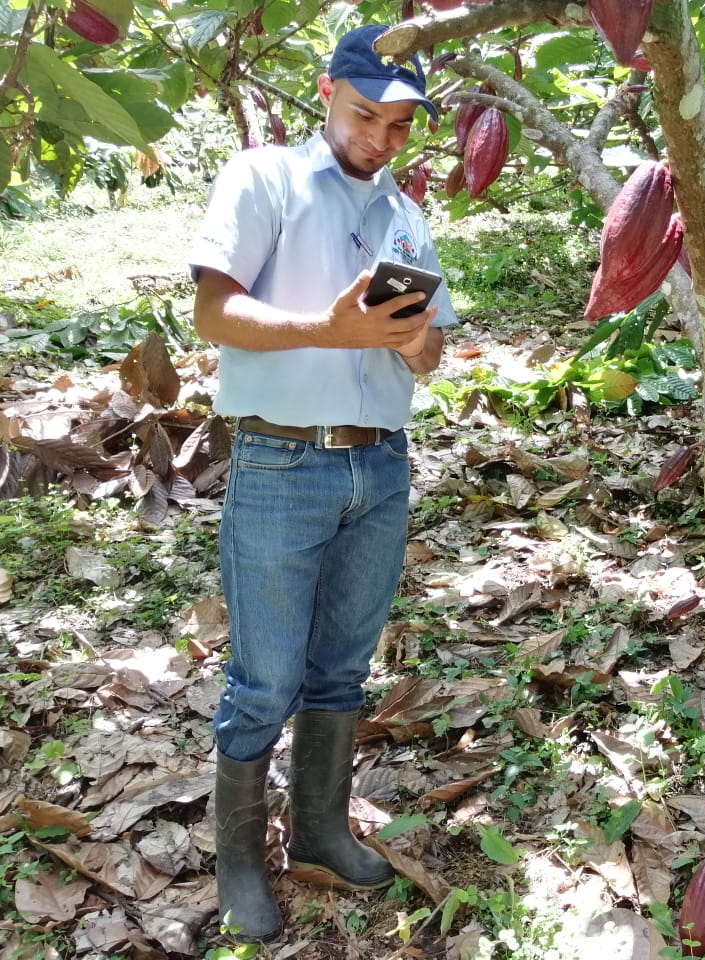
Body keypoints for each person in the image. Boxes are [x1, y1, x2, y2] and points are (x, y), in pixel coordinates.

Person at [189, 24, 457, 942]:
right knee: (263, 680)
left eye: (399, 125)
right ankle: (236, 863)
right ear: (326, 91)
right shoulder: (261, 177)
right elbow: (213, 310)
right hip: (280, 462)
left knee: (341, 669)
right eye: (364, 114)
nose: (379, 138)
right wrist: (329, 329)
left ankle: (319, 828)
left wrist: (415, 340)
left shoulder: (405, 216)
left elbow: (434, 349)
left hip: (379, 465)